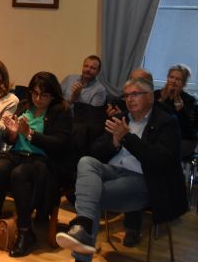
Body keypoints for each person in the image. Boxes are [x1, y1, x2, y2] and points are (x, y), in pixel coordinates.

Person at [56, 78, 188, 262]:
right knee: (86, 162)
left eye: (135, 94)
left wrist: (127, 138)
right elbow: (95, 151)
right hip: (113, 171)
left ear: (150, 96)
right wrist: (114, 143)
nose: (130, 99)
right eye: (127, 95)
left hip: (143, 180)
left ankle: (82, 245)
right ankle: (84, 225)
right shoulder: (119, 118)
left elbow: (160, 161)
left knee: (90, 195)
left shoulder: (166, 123)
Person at [0, 72, 72, 257]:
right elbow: (10, 139)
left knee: (19, 173)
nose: (38, 99)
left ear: (53, 95)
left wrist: (30, 134)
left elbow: (60, 143)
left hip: (43, 160)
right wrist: (13, 134)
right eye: (34, 93)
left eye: (44, 95)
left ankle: (25, 231)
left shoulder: (60, 111)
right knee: (0, 168)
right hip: (19, 154)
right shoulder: (24, 105)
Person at [155, 64, 196, 140]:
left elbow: (187, 126)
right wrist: (162, 99)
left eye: (178, 79)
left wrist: (177, 101)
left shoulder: (189, 100)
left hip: (181, 138)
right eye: (171, 77)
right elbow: (151, 116)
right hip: (158, 135)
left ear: (183, 83)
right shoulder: (156, 94)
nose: (173, 81)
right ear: (167, 78)